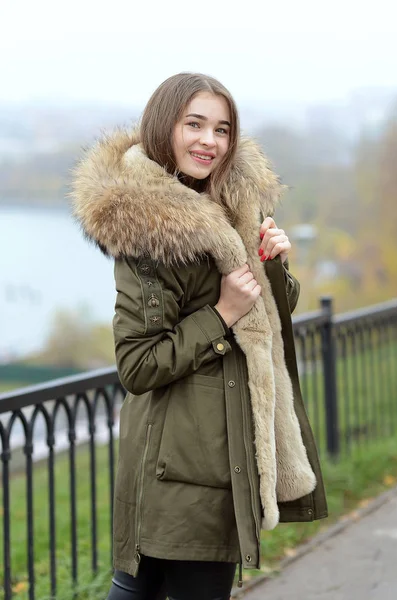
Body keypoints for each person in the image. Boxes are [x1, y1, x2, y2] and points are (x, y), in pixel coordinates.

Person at [71, 72, 327, 600]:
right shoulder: (152, 228)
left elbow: (267, 316)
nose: (209, 141)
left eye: (222, 129)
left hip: (216, 454)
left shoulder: (230, 209)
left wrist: (272, 266)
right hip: (179, 465)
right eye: (195, 124)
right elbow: (138, 365)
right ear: (165, 127)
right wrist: (222, 313)